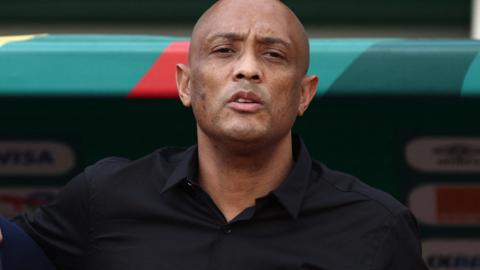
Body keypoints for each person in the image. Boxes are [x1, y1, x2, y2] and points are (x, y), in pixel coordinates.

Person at [0, 0, 428, 269]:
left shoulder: (378, 227)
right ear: (186, 84)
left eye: (273, 54)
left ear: (304, 93)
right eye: (224, 50)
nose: (247, 69)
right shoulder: (102, 198)